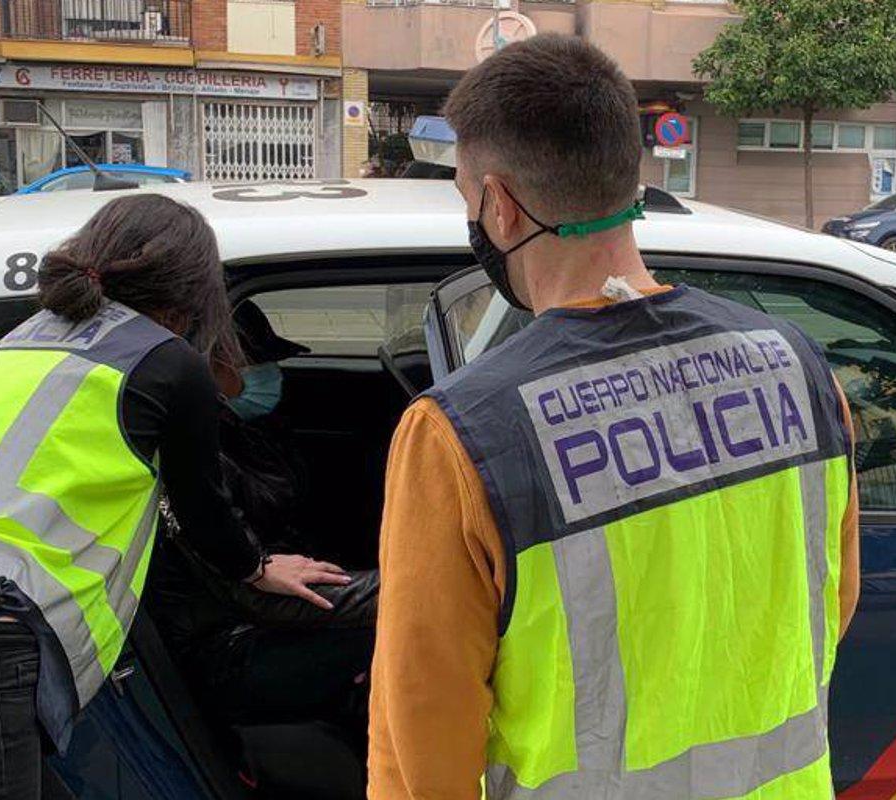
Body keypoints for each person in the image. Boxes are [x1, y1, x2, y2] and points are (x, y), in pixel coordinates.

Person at [367, 34, 861, 799]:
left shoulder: (461, 436)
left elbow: (422, 731)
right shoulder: (799, 366)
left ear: (499, 205)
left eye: (468, 198)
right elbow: (833, 603)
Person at [0, 194, 349, 800]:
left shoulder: (20, 342)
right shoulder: (166, 364)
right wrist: (258, 567)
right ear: (196, 291)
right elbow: (205, 511)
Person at [148, 299, 377, 741]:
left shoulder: (247, 428)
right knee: (417, 634)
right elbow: (257, 593)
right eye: (255, 362)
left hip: (266, 615)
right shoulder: (192, 460)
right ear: (208, 366)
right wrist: (411, 591)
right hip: (228, 645)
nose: (269, 374)